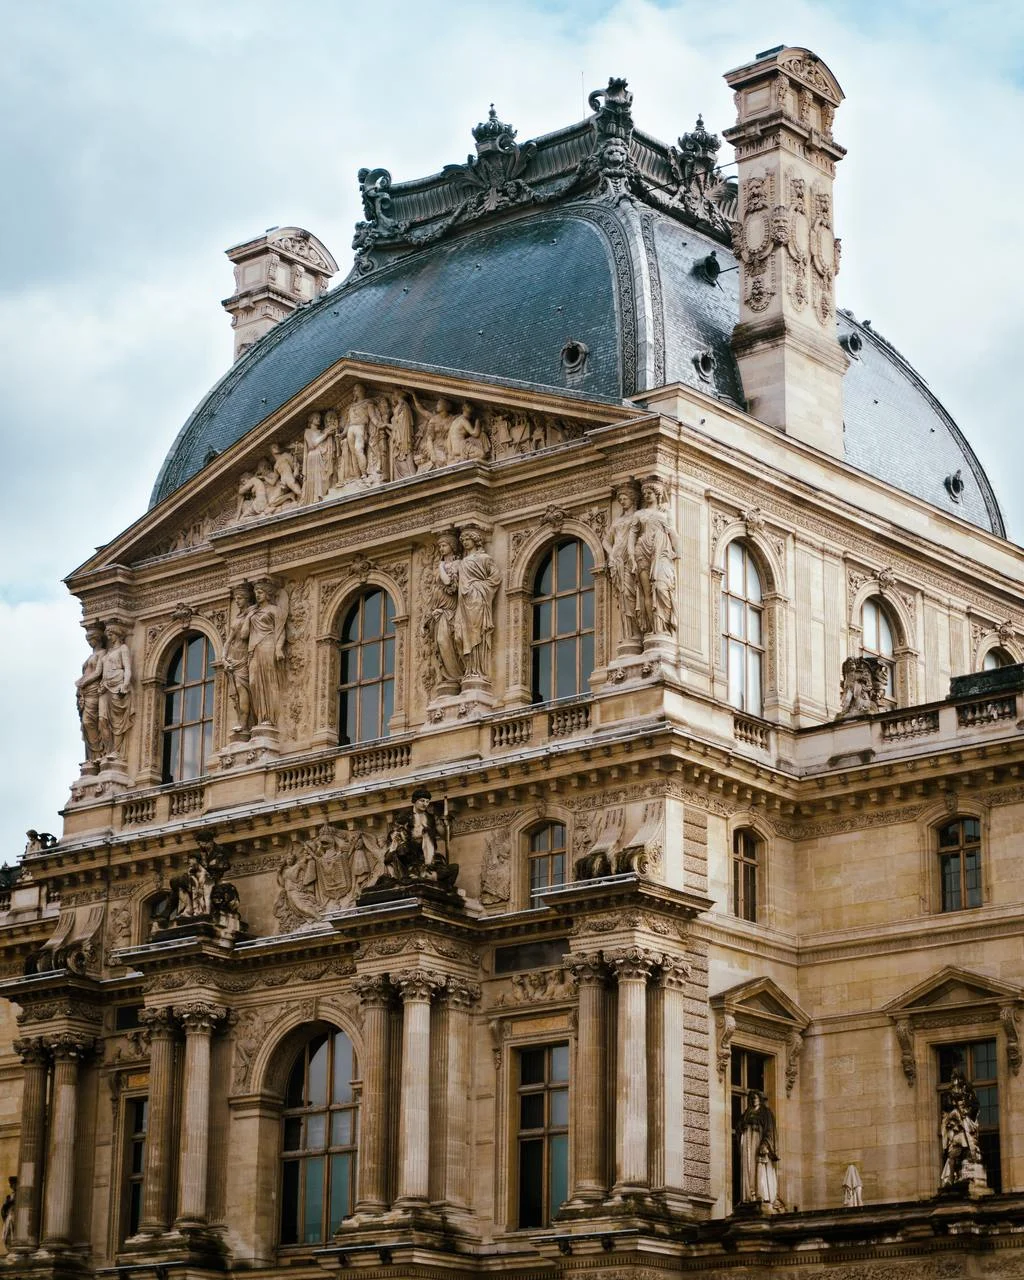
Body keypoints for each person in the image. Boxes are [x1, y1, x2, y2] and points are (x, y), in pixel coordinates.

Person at [627, 480, 681, 636]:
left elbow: (673, 534)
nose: (646, 496)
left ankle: (662, 626)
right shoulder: (639, 514)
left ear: (657, 494)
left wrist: (677, 552)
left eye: (649, 493)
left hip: (661, 551)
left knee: (661, 587)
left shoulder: (666, 513)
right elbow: (632, 536)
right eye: (644, 494)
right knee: (646, 592)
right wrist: (631, 556)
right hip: (641, 551)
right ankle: (653, 629)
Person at [452, 527, 501, 680]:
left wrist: (479, 588)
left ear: (475, 541)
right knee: (459, 636)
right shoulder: (462, 562)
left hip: (477, 600)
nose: (465, 542)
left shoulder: (484, 558)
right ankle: (468, 669)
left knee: (476, 635)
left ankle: (477, 671)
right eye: (463, 540)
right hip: (463, 603)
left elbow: (495, 578)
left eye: (468, 539)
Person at [603, 483, 642, 646]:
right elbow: (606, 541)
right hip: (618, 559)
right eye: (620, 499)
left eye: (625, 498)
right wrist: (612, 553)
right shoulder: (618, 521)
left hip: (629, 560)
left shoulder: (638, 517)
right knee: (623, 595)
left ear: (632, 499)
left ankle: (635, 634)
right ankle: (628, 634)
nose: (622, 502)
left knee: (629, 594)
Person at [247, 579, 288, 727]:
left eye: (260, 592)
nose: (257, 595)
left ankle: (269, 718)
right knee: (253, 682)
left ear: (268, 594)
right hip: (253, 648)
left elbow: (280, 631)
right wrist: (248, 615)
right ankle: (260, 717)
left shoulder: (274, 610)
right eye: (256, 593)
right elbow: (245, 634)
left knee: (269, 681)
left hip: (268, 645)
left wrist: (278, 648)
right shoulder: (253, 612)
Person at [98, 621, 134, 759]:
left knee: (117, 722)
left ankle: (116, 752)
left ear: (118, 634)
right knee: (102, 719)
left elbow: (128, 668)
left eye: (111, 633)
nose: (109, 636)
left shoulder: (123, 648)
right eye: (107, 634)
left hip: (117, 686)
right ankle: (107, 751)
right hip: (105, 687)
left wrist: (125, 685)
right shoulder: (108, 652)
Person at [739, 1090, 779, 1205]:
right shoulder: (747, 1112)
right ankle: (750, 1194)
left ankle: (761, 1193)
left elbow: (769, 1129)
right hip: (748, 1142)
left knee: (760, 1167)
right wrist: (743, 1126)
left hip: (758, 1140)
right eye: (752, 1098)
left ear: (760, 1099)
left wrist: (765, 1143)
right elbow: (740, 1125)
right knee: (749, 1167)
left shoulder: (765, 1112)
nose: (754, 1100)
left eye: (756, 1098)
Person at [225, 583, 255, 734]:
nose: (236, 601)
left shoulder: (252, 613)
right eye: (235, 598)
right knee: (236, 693)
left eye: (239, 598)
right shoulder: (237, 617)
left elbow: (244, 635)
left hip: (243, 658)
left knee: (242, 691)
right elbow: (229, 641)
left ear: (247, 598)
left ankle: (244, 723)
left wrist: (249, 616)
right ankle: (242, 721)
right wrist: (224, 658)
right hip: (233, 658)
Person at [75, 623, 106, 763]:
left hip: (93, 689)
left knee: (90, 721)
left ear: (98, 639)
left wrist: (84, 681)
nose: (89, 642)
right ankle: (92, 757)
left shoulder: (102, 653)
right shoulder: (91, 656)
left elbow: (98, 672)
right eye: (87, 639)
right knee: (86, 724)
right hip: (85, 691)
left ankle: (98, 752)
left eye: (90, 639)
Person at [301, 411, 335, 504]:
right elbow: (312, 445)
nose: (318, 419)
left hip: (320, 456)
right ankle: (315, 497)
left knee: (322, 477)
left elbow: (325, 445)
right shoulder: (307, 432)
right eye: (316, 418)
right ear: (311, 420)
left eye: (319, 418)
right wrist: (325, 435)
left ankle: (322, 494)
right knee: (315, 478)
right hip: (313, 457)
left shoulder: (321, 432)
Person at [388, 389, 416, 479]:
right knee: (399, 456)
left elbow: (403, 423)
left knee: (405, 453)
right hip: (397, 435)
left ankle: (411, 474)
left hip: (402, 435)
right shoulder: (399, 406)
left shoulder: (403, 405)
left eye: (394, 394)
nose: (392, 397)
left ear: (398, 395)